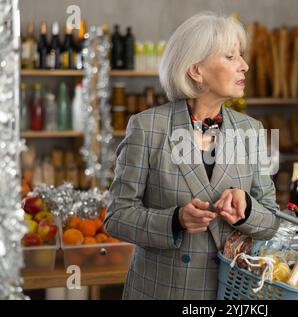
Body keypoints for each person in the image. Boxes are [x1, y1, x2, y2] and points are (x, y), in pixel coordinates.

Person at [105, 11, 280, 300]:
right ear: (196, 70)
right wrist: (175, 220)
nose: (245, 66)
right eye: (230, 57)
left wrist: (247, 209)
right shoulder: (148, 127)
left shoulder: (252, 130)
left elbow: (271, 220)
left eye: (241, 56)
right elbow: (117, 216)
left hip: (231, 294)